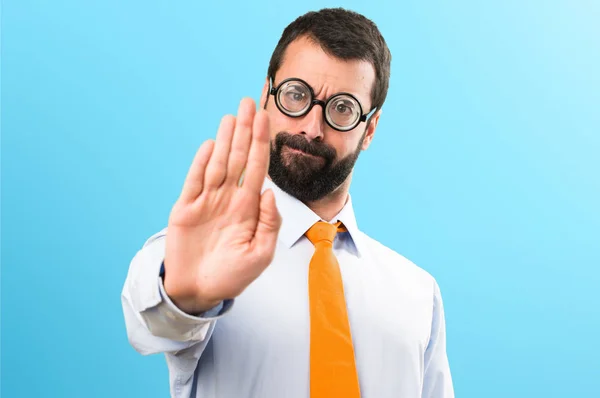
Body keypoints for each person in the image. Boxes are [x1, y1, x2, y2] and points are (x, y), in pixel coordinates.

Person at [121, 7, 454, 398]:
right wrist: (186, 297)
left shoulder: (417, 293)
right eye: (296, 95)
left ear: (370, 129)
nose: (311, 128)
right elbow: (151, 326)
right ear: (267, 95)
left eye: (342, 108)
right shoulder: (206, 253)